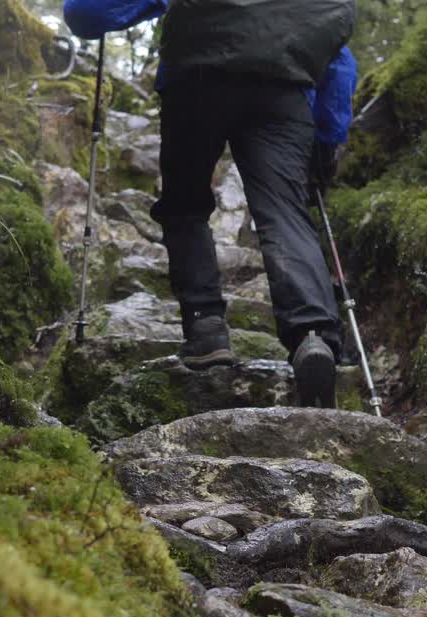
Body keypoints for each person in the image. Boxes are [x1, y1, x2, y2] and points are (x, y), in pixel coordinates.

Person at [63, 0, 359, 408]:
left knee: (185, 205)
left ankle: (206, 329)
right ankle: (313, 335)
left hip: (196, 83)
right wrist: (326, 141)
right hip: (284, 92)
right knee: (285, 213)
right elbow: (339, 59)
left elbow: (87, 15)